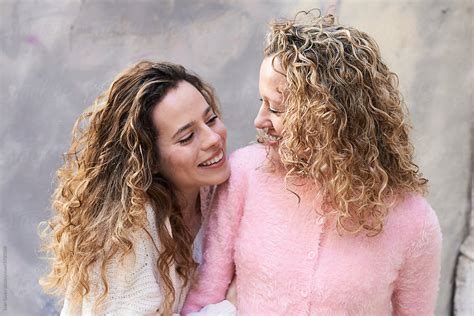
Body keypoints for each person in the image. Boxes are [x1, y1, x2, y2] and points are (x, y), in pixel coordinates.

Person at [182, 12, 442, 315]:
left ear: (329, 117)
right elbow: (203, 299)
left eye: (276, 108)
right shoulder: (244, 174)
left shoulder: (414, 221)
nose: (259, 121)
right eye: (261, 102)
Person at [39, 61, 235, 315]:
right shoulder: (128, 228)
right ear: (149, 160)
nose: (213, 138)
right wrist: (231, 307)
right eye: (186, 137)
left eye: (211, 119)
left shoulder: (216, 193)